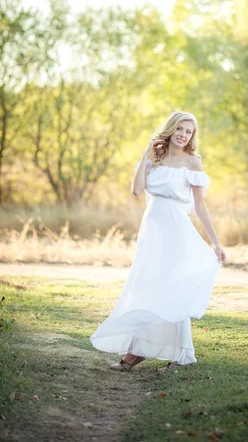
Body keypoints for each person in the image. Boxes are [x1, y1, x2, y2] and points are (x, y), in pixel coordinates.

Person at [89, 111, 226, 371]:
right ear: (171, 129)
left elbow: (201, 207)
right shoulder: (155, 159)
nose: (183, 135)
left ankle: (178, 354)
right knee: (147, 286)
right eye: (180, 129)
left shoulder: (193, 163)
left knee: (171, 289)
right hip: (152, 229)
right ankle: (138, 351)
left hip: (177, 230)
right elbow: (136, 190)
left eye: (189, 131)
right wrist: (144, 156)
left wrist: (216, 243)